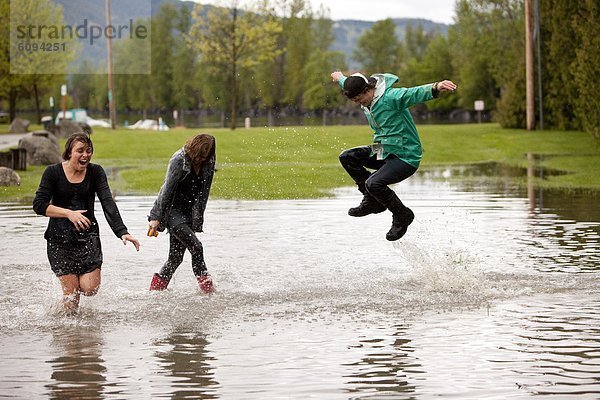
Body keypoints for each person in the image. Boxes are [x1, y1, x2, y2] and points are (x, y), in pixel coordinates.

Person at [331, 71, 457, 241]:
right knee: (347, 157)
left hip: (405, 155)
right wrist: (339, 77)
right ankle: (371, 200)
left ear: (368, 90)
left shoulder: (391, 97)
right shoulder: (361, 91)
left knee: (373, 183)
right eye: (355, 102)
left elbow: (413, 93)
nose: (359, 104)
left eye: (360, 100)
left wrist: (436, 86)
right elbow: (349, 82)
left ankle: (402, 215)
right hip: (383, 149)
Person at [33, 132, 140, 313]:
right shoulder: (52, 173)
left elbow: (108, 202)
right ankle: (71, 334)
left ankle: (66, 311)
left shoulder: (95, 172)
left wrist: (122, 231)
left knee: (90, 289)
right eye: (80, 151)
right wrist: (68, 213)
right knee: (72, 294)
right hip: (60, 240)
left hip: (88, 238)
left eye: (89, 151)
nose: (85, 155)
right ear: (69, 153)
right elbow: (39, 205)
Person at [147, 133, 216, 293]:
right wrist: (155, 217)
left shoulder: (209, 162)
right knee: (197, 247)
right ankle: (209, 292)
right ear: (194, 149)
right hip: (173, 213)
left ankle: (155, 292)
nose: (201, 159)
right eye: (199, 155)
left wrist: (198, 218)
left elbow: (204, 193)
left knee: (175, 258)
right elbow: (166, 189)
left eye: (205, 156)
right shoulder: (179, 159)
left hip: (189, 213)